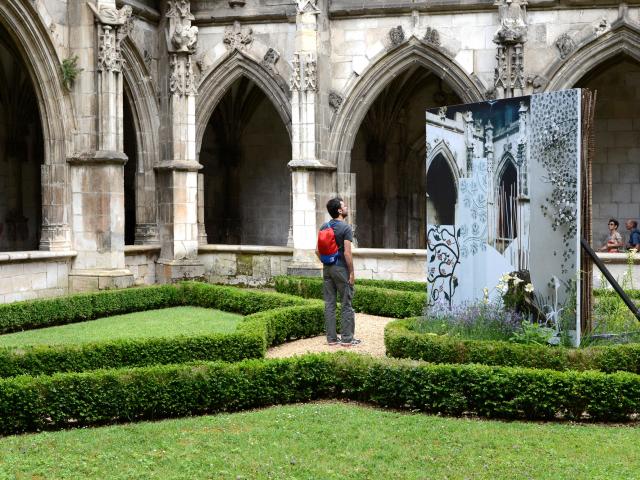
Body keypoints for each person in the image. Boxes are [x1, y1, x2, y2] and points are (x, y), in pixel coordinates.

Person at [316, 197, 360, 347]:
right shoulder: (345, 228)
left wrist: (326, 263)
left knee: (329, 304)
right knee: (346, 303)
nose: (346, 207)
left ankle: (332, 339)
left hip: (327, 268)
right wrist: (352, 272)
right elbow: (348, 253)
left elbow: (316, 250)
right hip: (341, 269)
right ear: (339, 210)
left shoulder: (324, 226)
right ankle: (347, 339)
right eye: (344, 206)